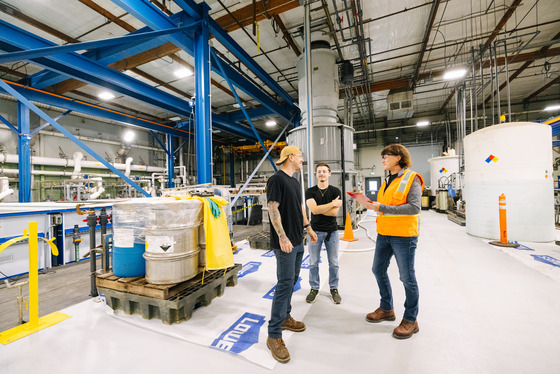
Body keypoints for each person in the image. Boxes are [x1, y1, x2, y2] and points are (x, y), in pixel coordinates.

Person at [362, 144, 425, 339]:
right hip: (384, 233)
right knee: (377, 269)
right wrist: (373, 206)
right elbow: (386, 205)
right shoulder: (387, 180)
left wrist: (383, 207)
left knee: (407, 278)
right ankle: (387, 308)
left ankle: (410, 319)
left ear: (398, 157)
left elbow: (414, 207)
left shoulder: (411, 178)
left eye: (386, 156)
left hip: (403, 236)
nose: (383, 160)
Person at [266, 145, 318, 363]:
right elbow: (272, 208)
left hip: (298, 239)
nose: (302, 160)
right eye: (300, 156)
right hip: (286, 242)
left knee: (292, 280)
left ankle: (285, 317)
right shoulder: (276, 180)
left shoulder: (295, 181)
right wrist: (282, 236)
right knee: (285, 282)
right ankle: (273, 334)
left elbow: (299, 207)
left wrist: (308, 227)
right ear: (290, 157)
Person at [305, 162, 342, 304]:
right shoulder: (310, 191)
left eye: (324, 171)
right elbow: (314, 210)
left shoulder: (335, 191)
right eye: (319, 171)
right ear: (316, 174)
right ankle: (314, 288)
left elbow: (333, 213)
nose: (321, 173)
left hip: (331, 232)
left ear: (329, 174)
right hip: (314, 232)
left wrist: (324, 208)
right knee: (313, 262)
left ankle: (334, 288)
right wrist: (332, 203)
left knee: (333, 263)